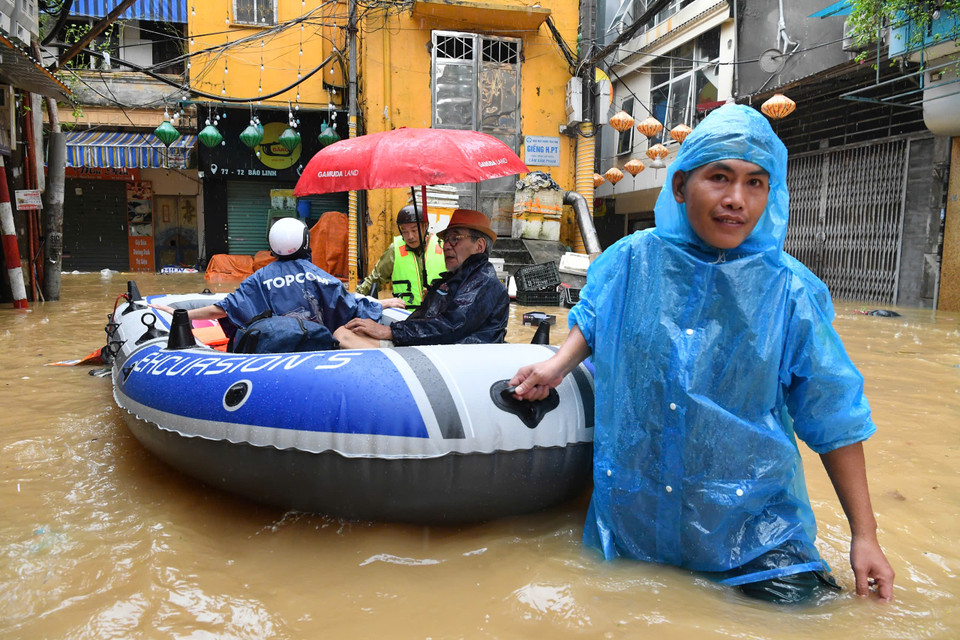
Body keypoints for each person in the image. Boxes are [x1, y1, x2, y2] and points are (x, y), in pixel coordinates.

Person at [509, 104, 895, 605]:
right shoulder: (633, 259)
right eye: (719, 177)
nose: (737, 199)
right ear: (679, 186)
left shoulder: (788, 291)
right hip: (635, 519)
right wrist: (558, 364)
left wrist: (865, 535)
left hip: (753, 530)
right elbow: (599, 315)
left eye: (756, 183)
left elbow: (833, 414)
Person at [149, 217, 404, 340]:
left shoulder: (259, 278)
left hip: (272, 352)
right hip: (313, 349)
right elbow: (351, 304)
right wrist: (383, 303)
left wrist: (179, 313)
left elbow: (221, 309)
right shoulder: (320, 277)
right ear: (305, 242)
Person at [336, 208, 509, 347]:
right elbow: (375, 279)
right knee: (347, 332)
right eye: (446, 239)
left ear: (479, 246)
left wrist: (390, 332)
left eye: (455, 239)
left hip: (451, 355)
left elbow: (451, 325)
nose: (447, 246)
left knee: (344, 336)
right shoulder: (457, 277)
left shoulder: (483, 281)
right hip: (429, 342)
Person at [356, 204, 446, 310]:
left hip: (437, 315)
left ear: (425, 226)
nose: (410, 236)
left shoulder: (443, 246)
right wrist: (353, 298)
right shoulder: (394, 249)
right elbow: (374, 280)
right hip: (404, 316)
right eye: (404, 231)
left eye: (414, 230)